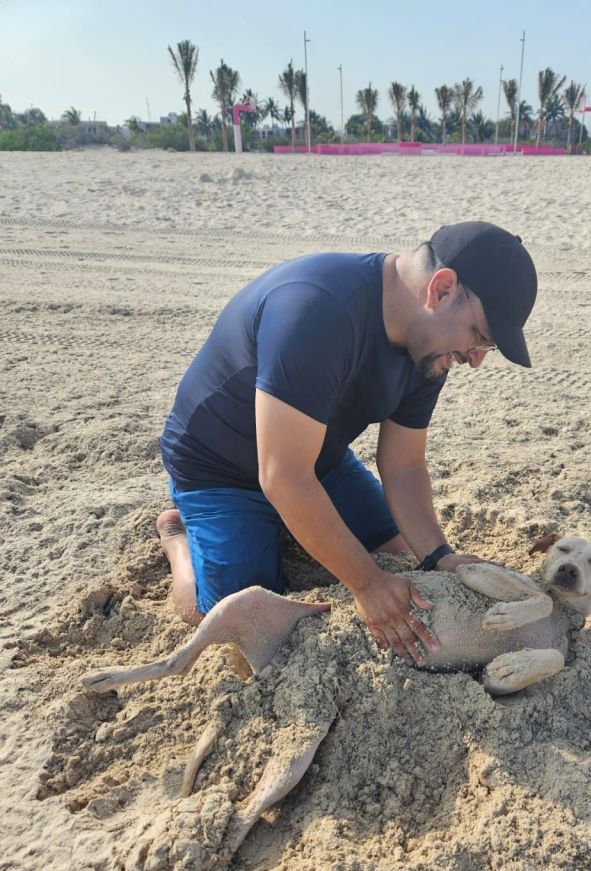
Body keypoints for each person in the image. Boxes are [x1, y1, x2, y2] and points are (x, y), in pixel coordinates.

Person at [157, 220, 538, 665]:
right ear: (441, 289)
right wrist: (368, 583)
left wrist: (439, 556)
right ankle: (178, 539)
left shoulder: (429, 348)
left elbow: (404, 465)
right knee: (240, 623)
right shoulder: (317, 310)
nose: (474, 361)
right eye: (480, 337)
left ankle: (290, 526)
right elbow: (282, 476)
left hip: (319, 461)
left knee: (402, 554)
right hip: (220, 469)